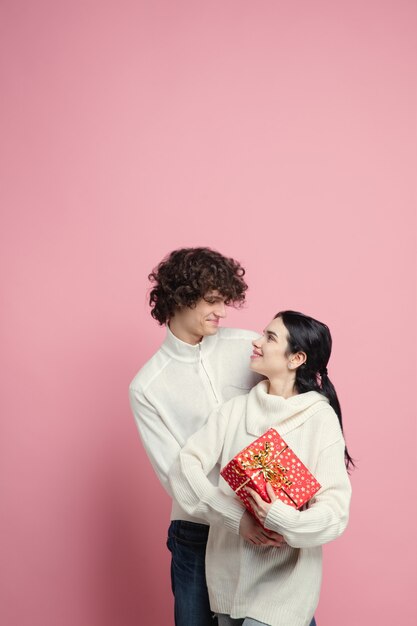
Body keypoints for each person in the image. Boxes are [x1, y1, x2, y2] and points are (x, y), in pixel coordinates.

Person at [129, 247, 283, 626]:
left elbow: (288, 408)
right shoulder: (148, 386)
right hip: (197, 534)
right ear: (180, 297)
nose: (223, 311)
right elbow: (175, 474)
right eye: (212, 300)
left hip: (266, 517)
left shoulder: (248, 345)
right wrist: (235, 518)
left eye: (225, 300)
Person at [169, 310, 354, 626]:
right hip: (226, 582)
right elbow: (184, 467)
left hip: (285, 590)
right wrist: (236, 517)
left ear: (296, 358)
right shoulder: (234, 411)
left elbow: (335, 512)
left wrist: (282, 518)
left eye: (270, 337)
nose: (256, 342)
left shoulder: (319, 419)